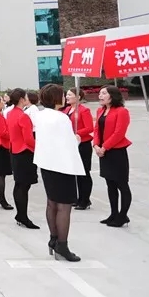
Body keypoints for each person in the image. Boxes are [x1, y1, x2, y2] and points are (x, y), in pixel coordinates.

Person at [34, 84, 84, 262]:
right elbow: (68, 144)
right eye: (62, 95)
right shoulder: (61, 118)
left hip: (47, 163)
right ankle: (62, 245)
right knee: (64, 206)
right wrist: (76, 140)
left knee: (52, 203)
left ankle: (53, 238)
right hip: (62, 166)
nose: (64, 98)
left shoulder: (40, 115)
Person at [94, 86, 132, 227]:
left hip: (116, 152)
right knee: (110, 184)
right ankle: (113, 213)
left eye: (104, 93)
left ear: (113, 96)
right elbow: (96, 130)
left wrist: (104, 147)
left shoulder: (122, 111)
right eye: (100, 93)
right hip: (103, 152)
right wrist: (96, 145)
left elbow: (119, 133)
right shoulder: (100, 111)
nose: (100, 95)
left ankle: (123, 215)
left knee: (122, 184)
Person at [7, 89, 39, 229]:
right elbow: (28, 139)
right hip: (24, 152)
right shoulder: (23, 116)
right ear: (21, 99)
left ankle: (20, 214)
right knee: (24, 186)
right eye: (25, 96)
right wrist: (39, 148)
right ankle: (23, 216)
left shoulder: (11, 113)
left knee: (19, 184)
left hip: (15, 150)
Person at [64, 88, 94, 210]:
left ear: (78, 97)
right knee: (75, 172)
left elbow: (89, 128)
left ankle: (85, 199)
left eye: (70, 95)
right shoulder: (66, 110)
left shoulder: (83, 110)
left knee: (84, 172)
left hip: (83, 144)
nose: (67, 97)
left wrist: (75, 133)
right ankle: (77, 198)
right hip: (71, 144)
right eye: (66, 94)